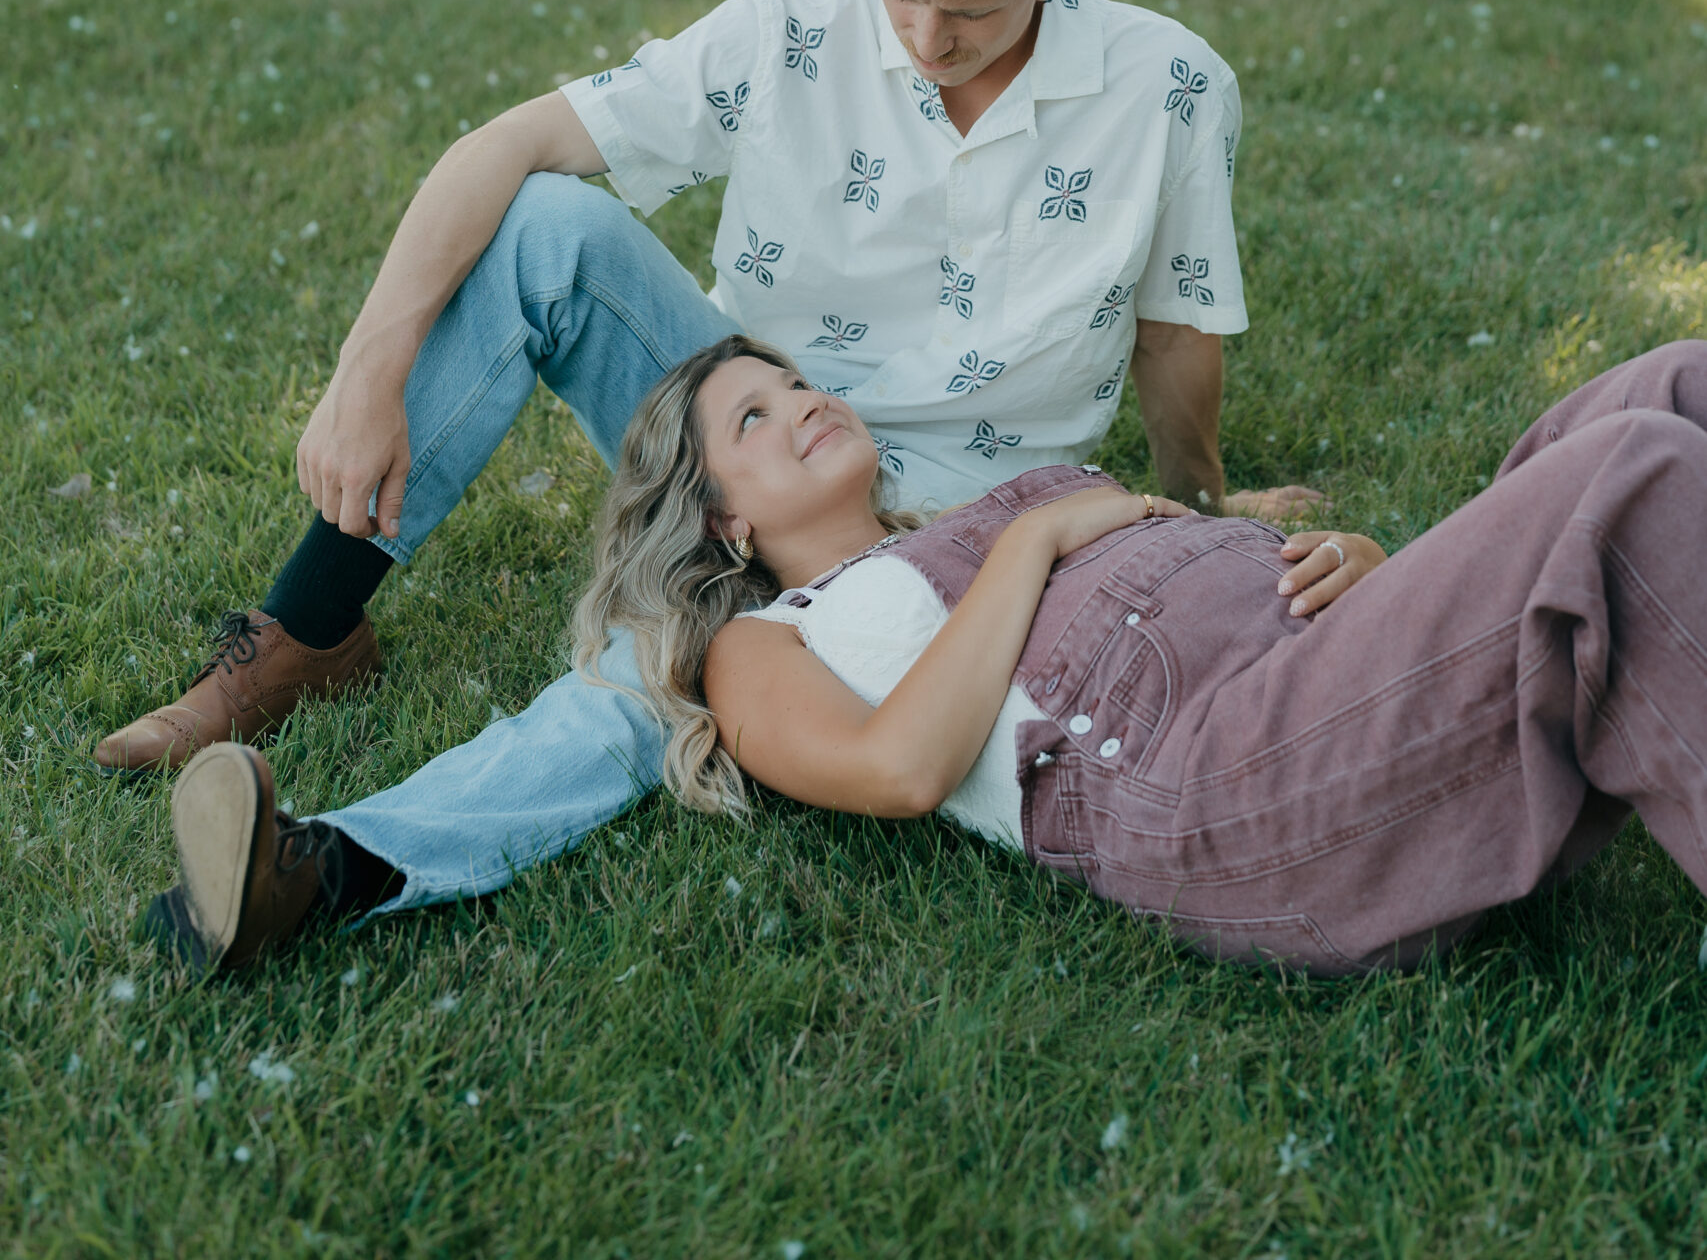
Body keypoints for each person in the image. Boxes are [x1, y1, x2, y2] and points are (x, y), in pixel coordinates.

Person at [99, 0, 1314, 854]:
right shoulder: (794, 26)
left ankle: (339, 862)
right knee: (544, 224)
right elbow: (508, 142)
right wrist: (370, 368)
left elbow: (1172, 329)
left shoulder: (1172, 86)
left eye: (972, 15)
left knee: (670, 654)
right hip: (749, 416)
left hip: (955, 506)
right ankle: (309, 627)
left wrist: (1200, 505)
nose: (928, 41)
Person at [153, 332, 1707, 978]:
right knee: (1634, 478)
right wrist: (1034, 546)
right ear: (726, 527)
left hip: (1330, 673)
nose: (794, 408)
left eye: (787, 385)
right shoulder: (766, 648)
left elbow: (1239, 567)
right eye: (747, 426)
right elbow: (899, 770)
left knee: (1665, 384)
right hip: (1212, 787)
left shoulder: (973, 510)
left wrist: (1373, 565)